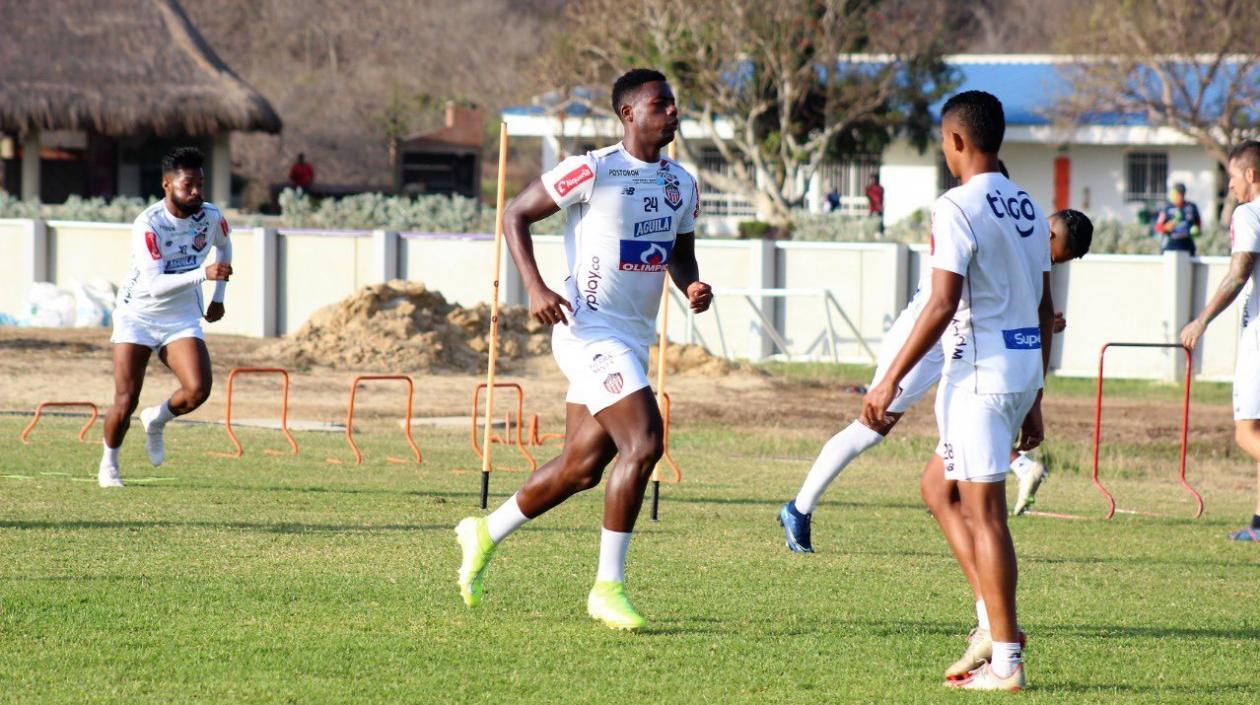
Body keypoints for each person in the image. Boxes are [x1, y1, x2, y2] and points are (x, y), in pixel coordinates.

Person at [453, 68, 712, 630]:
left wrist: (690, 283)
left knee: (581, 468)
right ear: (628, 114)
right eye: (660, 104)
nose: (673, 112)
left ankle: (483, 531)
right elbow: (514, 214)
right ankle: (607, 588)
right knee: (644, 442)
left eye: (673, 104)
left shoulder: (682, 184)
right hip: (587, 331)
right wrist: (537, 287)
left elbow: (678, 251)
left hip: (632, 339)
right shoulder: (591, 170)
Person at [864, 91, 1052, 691]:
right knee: (936, 488)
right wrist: (1037, 396)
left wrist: (891, 378)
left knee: (987, 516)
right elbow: (1046, 309)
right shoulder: (1026, 203)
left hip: (979, 379)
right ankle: (989, 623)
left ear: (957, 142)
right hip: (1020, 372)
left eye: (943, 142)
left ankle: (1007, 659)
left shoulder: (955, 206)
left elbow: (942, 303)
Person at [780, 207, 1089, 542]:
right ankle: (799, 508)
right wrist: (890, 379)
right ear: (1050, 234)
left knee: (973, 411)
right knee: (871, 428)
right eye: (1057, 256)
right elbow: (953, 296)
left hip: (964, 338)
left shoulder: (1021, 244)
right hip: (923, 335)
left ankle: (956, 491)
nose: (1052, 263)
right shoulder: (987, 222)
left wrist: (1037, 324)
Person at [100, 147, 233, 488]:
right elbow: (156, 285)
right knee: (126, 399)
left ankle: (157, 419)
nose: (196, 192)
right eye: (188, 184)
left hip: (180, 316)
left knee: (198, 389)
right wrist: (205, 276)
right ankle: (109, 464)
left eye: (201, 185)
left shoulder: (210, 216)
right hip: (137, 315)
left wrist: (218, 298)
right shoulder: (149, 223)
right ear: (166, 184)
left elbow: (225, 247)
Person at [1180, 140, 1260, 542]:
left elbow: (1239, 271)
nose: (1229, 187)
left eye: (1231, 177)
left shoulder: (1249, 213)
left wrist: (1201, 319)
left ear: (1250, 175)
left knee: (1246, 433)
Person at [1153, 183, 1201, 255]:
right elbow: (1158, 227)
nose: (1178, 196)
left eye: (1180, 194)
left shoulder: (1191, 207)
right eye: (1176, 194)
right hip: (1170, 245)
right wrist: (1166, 227)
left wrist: (1196, 230)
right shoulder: (1167, 207)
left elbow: (1198, 223)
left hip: (1187, 244)